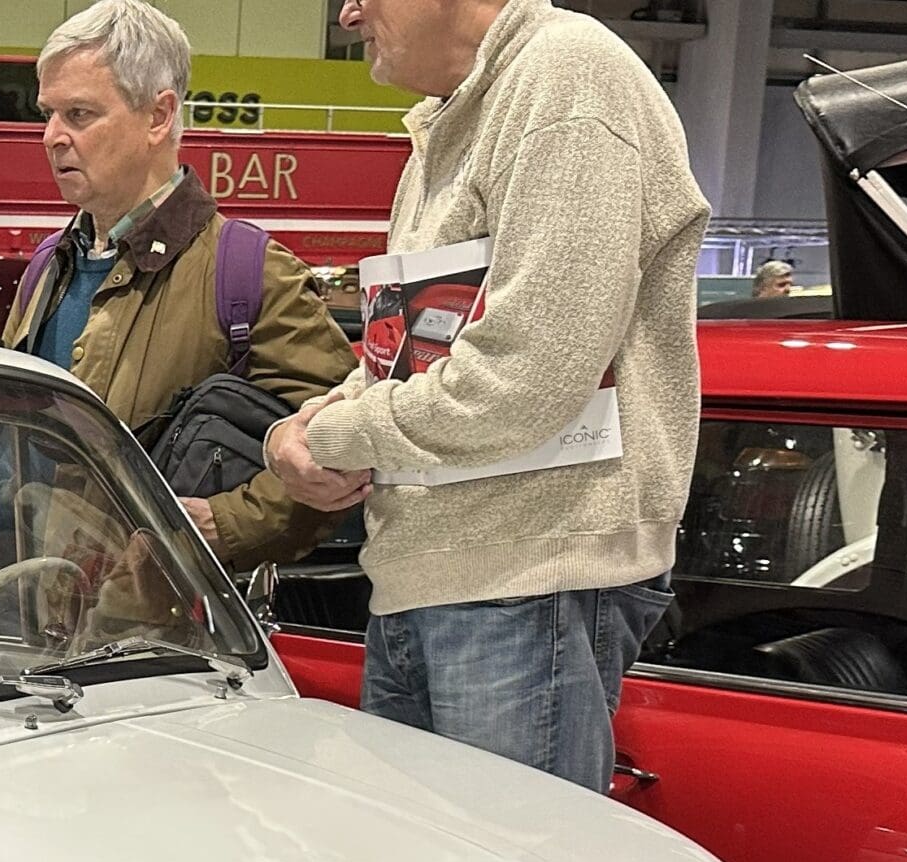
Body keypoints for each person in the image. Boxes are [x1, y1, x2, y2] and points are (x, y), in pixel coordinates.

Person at [266, 0, 708, 791]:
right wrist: (297, 432)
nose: (348, 12)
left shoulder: (568, 79)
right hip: (433, 576)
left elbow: (526, 374)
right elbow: (403, 355)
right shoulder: (456, 116)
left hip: (522, 580)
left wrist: (333, 439)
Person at [0, 0, 353, 597]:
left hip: (148, 646)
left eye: (79, 113)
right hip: (10, 617)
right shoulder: (49, 267)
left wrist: (221, 527)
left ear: (159, 115)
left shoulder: (252, 275)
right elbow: (0, 433)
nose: (51, 137)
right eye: (48, 113)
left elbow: (338, 450)